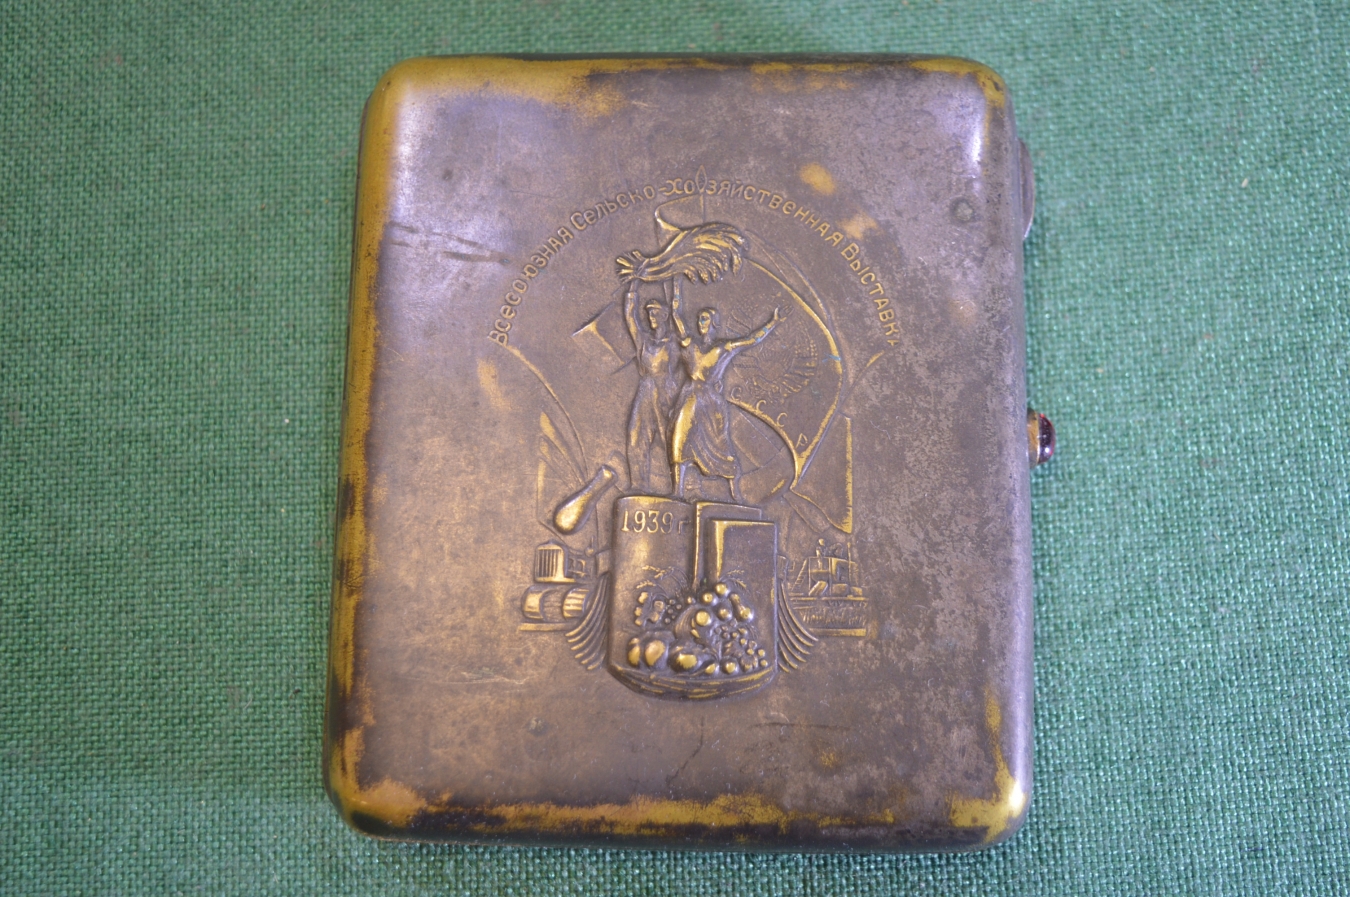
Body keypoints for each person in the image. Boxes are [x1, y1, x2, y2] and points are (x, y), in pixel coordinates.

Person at [667, 278, 781, 503]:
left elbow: (751, 340)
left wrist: (773, 322)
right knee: (680, 437)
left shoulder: (723, 348)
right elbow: (676, 315)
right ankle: (677, 491)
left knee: (721, 446)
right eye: (699, 318)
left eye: (705, 319)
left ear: (714, 323)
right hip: (690, 396)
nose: (700, 322)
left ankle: (734, 492)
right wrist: (676, 287)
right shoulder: (691, 344)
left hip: (710, 402)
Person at [622, 282, 681, 493]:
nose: (651, 317)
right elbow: (630, 318)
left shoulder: (674, 342)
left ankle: (679, 487)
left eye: (655, 313)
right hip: (646, 390)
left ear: (665, 315)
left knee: (669, 439)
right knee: (636, 435)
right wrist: (633, 287)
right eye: (649, 313)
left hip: (666, 391)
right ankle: (639, 485)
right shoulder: (644, 342)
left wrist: (677, 290)